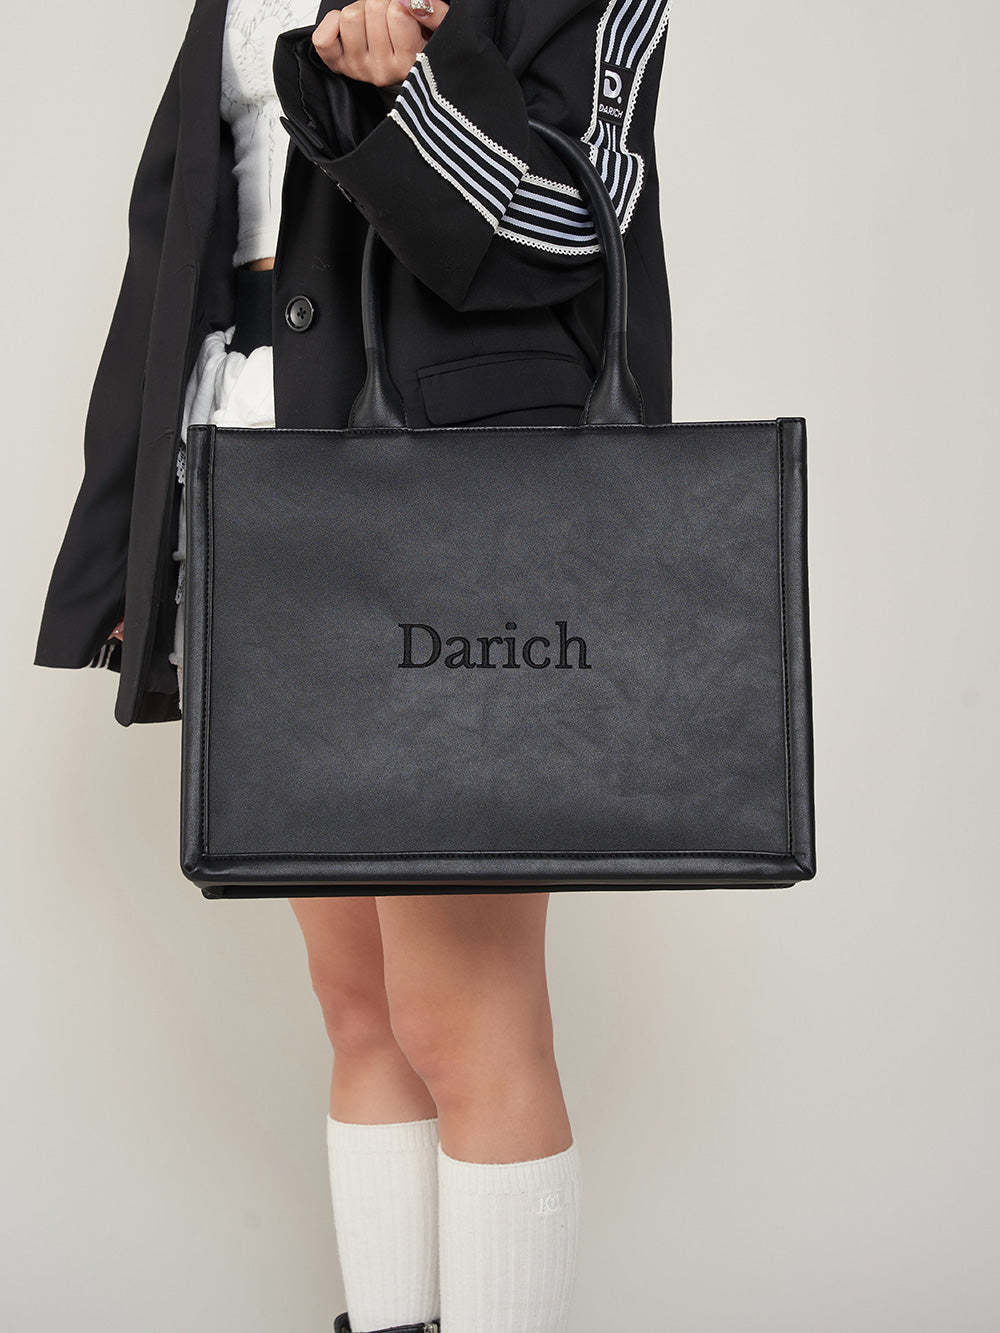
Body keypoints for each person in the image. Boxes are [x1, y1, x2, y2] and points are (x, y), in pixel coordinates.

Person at [34, 1, 675, 1329]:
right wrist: (129, 543)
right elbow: (179, 236)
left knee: (465, 1018)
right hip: (251, 480)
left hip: (458, 504)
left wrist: (410, 93)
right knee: (361, 1011)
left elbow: (577, 219)